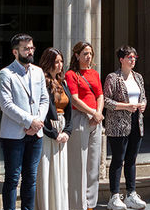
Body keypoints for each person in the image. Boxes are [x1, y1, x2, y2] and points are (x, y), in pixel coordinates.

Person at [0, 33, 50, 210]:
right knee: (13, 178)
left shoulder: (38, 72)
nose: (30, 51)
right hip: (13, 134)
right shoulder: (5, 74)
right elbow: (6, 105)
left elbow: (44, 99)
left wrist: (37, 122)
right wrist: (29, 122)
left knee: (31, 177)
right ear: (15, 51)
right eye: (26, 48)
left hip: (36, 133)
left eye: (31, 48)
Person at [102, 46, 147, 210]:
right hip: (118, 125)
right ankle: (114, 196)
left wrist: (143, 105)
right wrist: (125, 106)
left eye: (134, 57)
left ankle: (131, 194)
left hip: (136, 122)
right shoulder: (113, 78)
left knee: (131, 160)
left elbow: (143, 97)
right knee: (117, 160)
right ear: (121, 59)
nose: (132, 60)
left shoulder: (139, 77)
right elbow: (106, 101)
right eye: (129, 57)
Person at [66, 42, 104, 210]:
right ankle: (77, 204)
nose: (89, 57)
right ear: (77, 55)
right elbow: (74, 99)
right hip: (80, 118)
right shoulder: (71, 74)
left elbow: (100, 95)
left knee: (93, 164)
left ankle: (90, 204)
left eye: (90, 53)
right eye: (85, 53)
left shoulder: (94, 74)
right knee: (78, 164)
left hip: (95, 119)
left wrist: (98, 113)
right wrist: (92, 112)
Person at [36, 48, 71, 210]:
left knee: (60, 171)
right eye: (56, 61)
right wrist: (53, 133)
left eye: (61, 61)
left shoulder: (62, 82)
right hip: (48, 131)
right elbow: (41, 110)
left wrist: (67, 132)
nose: (60, 65)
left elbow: (69, 109)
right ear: (48, 62)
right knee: (47, 170)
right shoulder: (41, 81)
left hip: (62, 130)